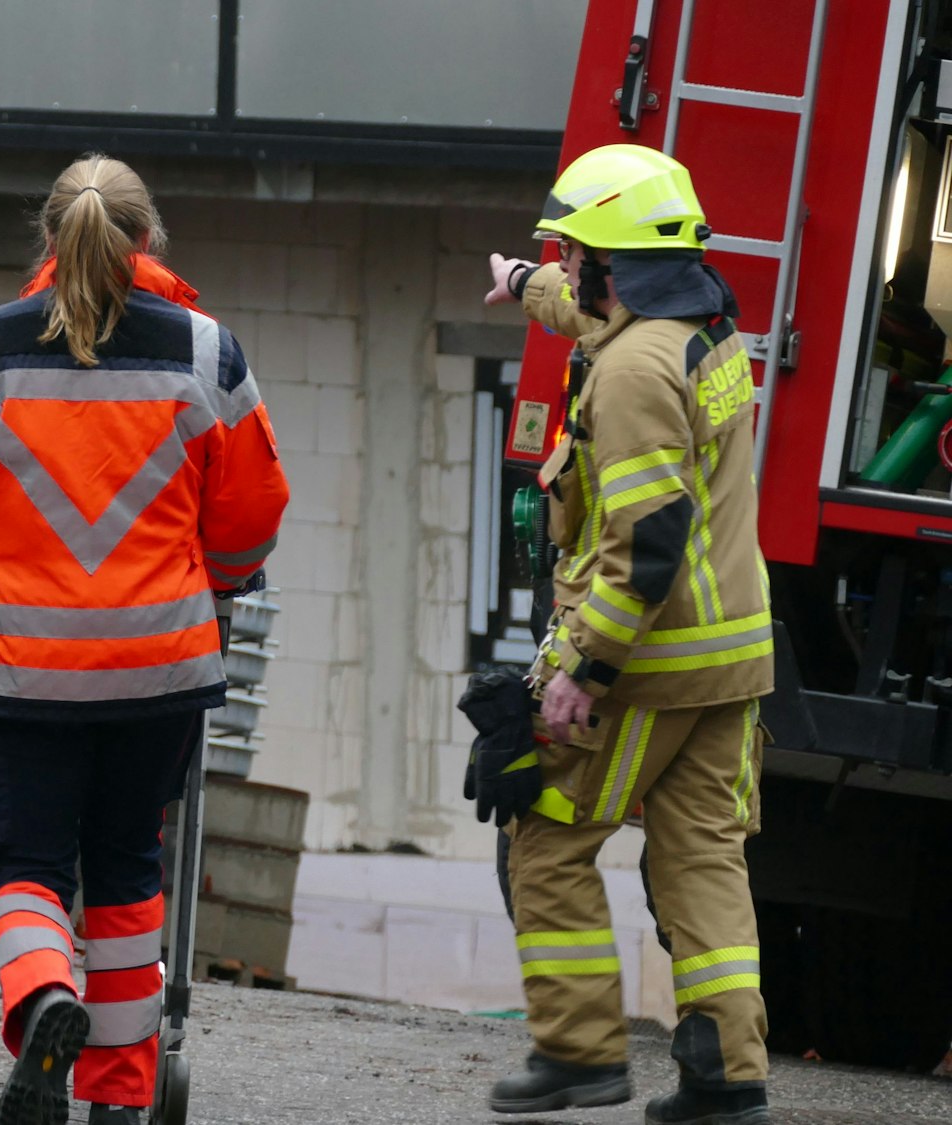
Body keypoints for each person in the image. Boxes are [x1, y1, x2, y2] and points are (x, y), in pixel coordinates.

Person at [0, 154, 290, 1125]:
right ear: (144, 244)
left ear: (45, 242)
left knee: (23, 865)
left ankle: (42, 999)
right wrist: (213, 580)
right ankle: (118, 1090)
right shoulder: (206, 353)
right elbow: (251, 513)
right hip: (158, 670)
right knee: (127, 873)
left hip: (17, 673)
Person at [480, 144, 775, 1125]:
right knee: (700, 860)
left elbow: (645, 544)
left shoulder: (630, 376)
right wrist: (526, 286)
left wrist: (582, 673)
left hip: (646, 666)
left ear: (609, 260)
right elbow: (598, 318)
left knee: (545, 840)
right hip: (729, 661)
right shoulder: (699, 330)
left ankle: (577, 1054)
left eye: (571, 249)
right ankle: (725, 1077)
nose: (564, 260)